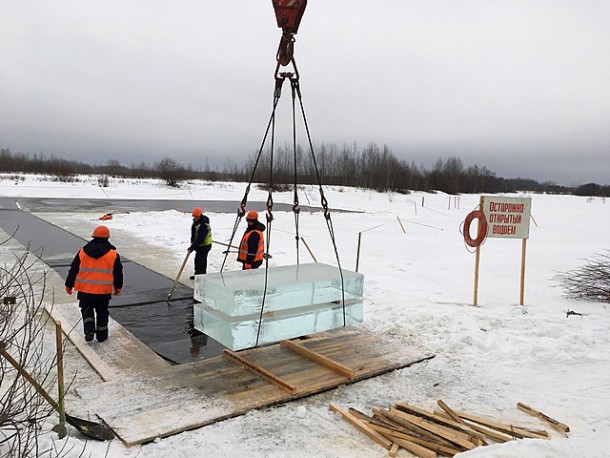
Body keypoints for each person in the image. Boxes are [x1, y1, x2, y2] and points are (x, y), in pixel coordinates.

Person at [65, 225, 123, 343]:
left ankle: (89, 330)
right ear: (107, 237)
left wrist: (69, 285)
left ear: (93, 236)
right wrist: (118, 287)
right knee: (102, 312)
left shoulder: (83, 252)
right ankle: (102, 336)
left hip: (85, 290)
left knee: (86, 310)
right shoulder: (112, 254)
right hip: (103, 292)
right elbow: (118, 272)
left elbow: (74, 269)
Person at [189, 207, 213, 279]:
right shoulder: (195, 223)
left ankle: (202, 276)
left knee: (202, 261)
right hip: (199, 246)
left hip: (205, 245)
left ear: (200, 216)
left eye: (196, 217)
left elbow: (200, 238)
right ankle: (197, 274)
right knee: (197, 260)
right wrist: (193, 244)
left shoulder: (203, 225)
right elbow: (194, 235)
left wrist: (193, 247)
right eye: (194, 217)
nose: (195, 218)